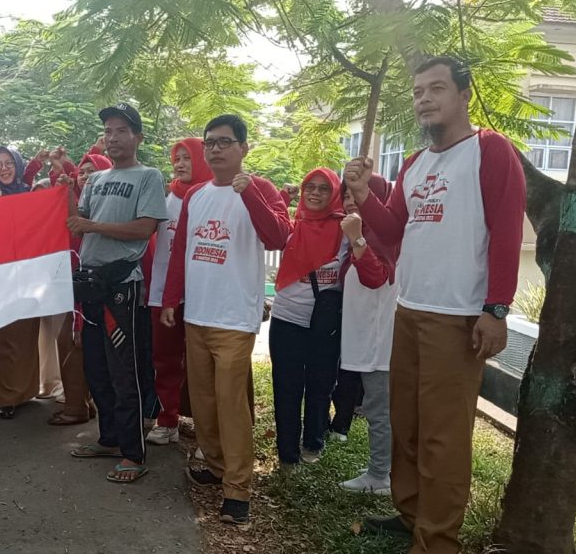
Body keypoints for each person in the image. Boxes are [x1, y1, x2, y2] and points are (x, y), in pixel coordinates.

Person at [344, 56, 525, 554]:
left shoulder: (490, 151)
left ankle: (437, 539)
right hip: (409, 308)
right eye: (419, 91)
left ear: (463, 94)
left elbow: (508, 233)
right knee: (408, 424)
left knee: (443, 438)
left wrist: (496, 309)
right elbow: (393, 231)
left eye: (437, 88)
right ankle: (411, 516)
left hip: (458, 314)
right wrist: (362, 195)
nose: (425, 98)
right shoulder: (414, 164)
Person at [160, 114, 291, 525]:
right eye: (210, 142)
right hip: (197, 315)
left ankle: (238, 490)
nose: (215, 148)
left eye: (225, 141)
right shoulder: (197, 194)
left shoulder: (260, 188)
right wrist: (170, 298)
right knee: (203, 400)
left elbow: (279, 237)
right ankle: (215, 465)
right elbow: (181, 249)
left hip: (235, 318)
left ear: (243, 148)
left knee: (232, 405)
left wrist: (249, 192)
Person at [65, 103, 168, 484]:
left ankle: (133, 452)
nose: (113, 137)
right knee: (97, 369)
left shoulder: (149, 176)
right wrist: (63, 190)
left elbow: (144, 229)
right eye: (108, 131)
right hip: (91, 283)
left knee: (126, 373)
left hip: (123, 287)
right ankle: (108, 438)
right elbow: (79, 225)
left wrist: (93, 224)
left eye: (122, 130)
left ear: (138, 137)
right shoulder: (95, 180)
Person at [269, 168, 347, 467]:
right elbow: (268, 228)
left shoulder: (345, 228)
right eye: (309, 187)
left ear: (335, 194)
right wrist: (281, 196)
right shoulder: (291, 226)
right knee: (286, 386)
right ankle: (287, 452)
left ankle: (313, 441)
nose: (315, 193)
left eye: (324, 189)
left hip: (325, 322)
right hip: (287, 317)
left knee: (320, 384)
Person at [145, 137, 213, 446]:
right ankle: (168, 419)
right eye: (177, 158)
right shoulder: (165, 201)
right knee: (166, 359)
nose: (181, 164)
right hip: (164, 294)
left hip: (202, 296)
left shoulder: (212, 198)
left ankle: (206, 427)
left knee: (203, 364)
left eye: (188, 157)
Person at [337, 177, 399, 495]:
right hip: (369, 335)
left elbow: (375, 278)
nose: (349, 200)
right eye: (346, 194)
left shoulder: (379, 238)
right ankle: (382, 468)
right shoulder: (364, 235)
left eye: (358, 194)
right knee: (378, 406)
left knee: (378, 408)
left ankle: (379, 476)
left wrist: (358, 238)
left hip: (380, 340)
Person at [0, 146, 44, 419]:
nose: (4, 168)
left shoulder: (27, 196)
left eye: (9, 163)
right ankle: (3, 395)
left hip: (25, 277)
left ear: (17, 166)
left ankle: (25, 391)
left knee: (23, 336)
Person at [48, 150, 114, 427]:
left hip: (93, 293)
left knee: (73, 344)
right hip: (77, 292)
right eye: (83, 172)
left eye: (92, 172)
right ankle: (83, 405)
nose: (85, 176)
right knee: (73, 345)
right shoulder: (81, 206)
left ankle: (76, 407)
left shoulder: (103, 212)